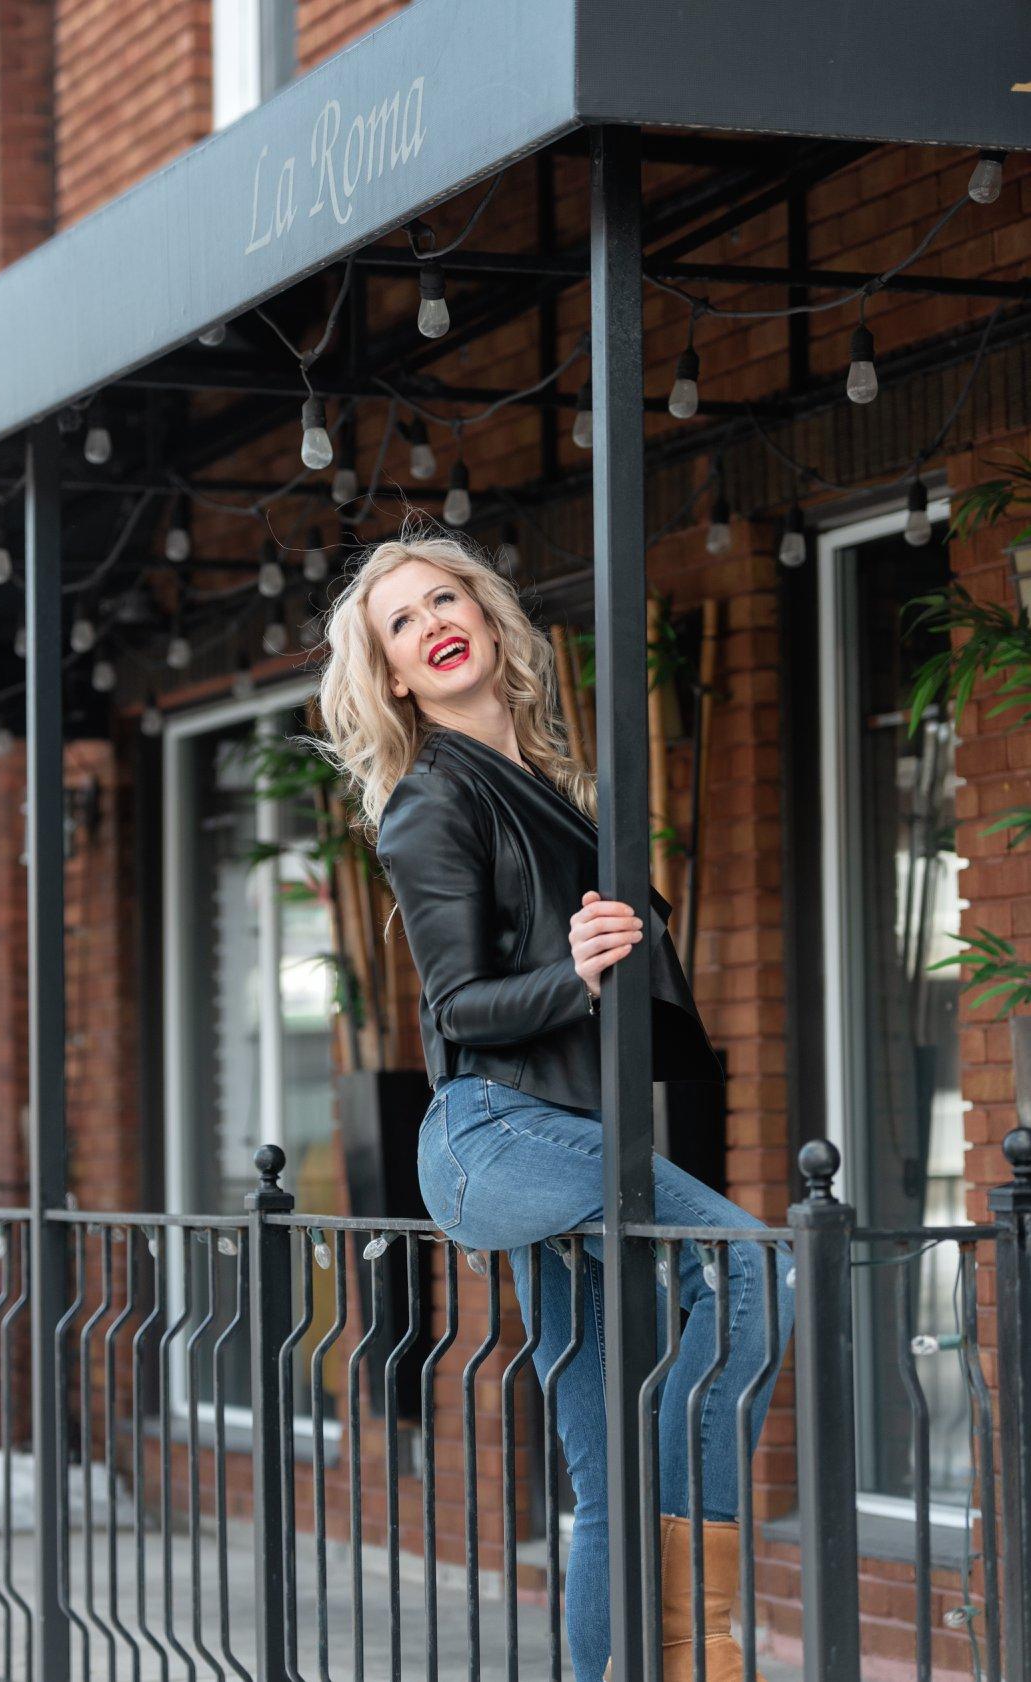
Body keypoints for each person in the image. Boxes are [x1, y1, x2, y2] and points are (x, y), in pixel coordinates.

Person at [314, 516, 796, 1682]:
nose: (431, 624)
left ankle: (652, 1639)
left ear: (485, 617)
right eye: (401, 619)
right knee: (750, 1267)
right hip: (495, 1134)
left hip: (561, 1136)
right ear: (386, 671)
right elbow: (461, 1007)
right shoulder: (431, 802)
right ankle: (700, 1642)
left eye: (444, 601)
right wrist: (574, 971)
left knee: (607, 1486)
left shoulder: (545, 784)